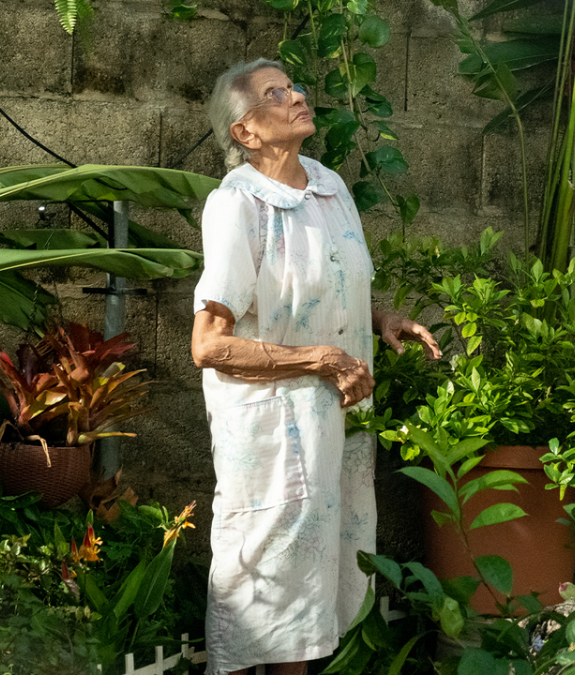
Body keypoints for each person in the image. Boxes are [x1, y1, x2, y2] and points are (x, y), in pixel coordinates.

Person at [190, 58, 440, 675]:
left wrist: (380, 318)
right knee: (265, 587)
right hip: (273, 436)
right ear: (245, 132)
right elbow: (209, 345)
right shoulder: (238, 206)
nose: (296, 96)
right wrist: (323, 357)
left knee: (311, 595)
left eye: (293, 86)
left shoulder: (330, 187)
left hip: (335, 427)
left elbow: (324, 285)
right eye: (274, 94)